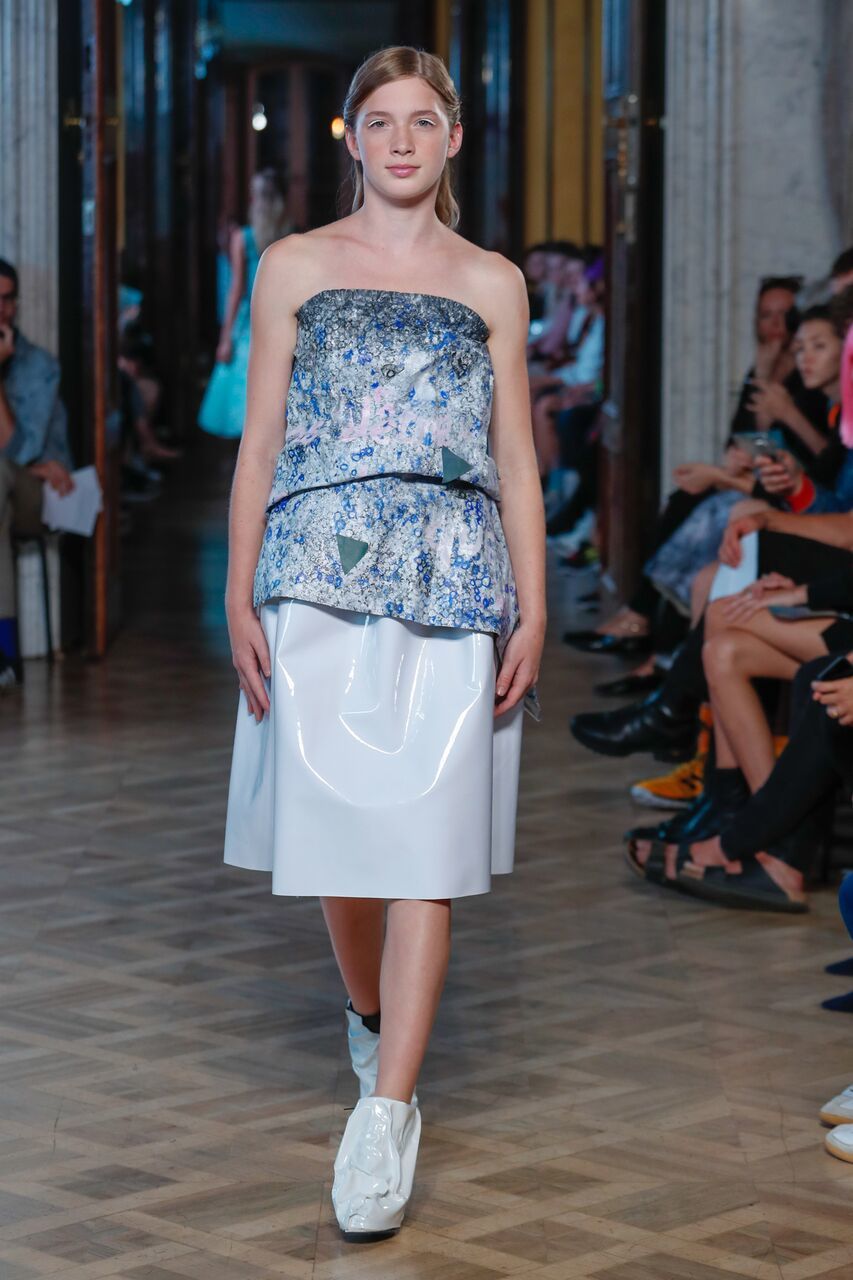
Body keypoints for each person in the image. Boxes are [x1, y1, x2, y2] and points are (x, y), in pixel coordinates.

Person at [220, 47, 545, 1242]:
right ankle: (368, 1015)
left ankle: (388, 1111)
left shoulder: (494, 281)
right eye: (379, 120)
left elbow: (517, 455)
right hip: (313, 569)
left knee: (424, 843)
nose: (401, 140)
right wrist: (236, 594)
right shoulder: (294, 265)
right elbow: (259, 441)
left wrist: (535, 602)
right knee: (337, 837)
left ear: (453, 136)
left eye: (422, 119)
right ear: (351, 138)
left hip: (456, 572)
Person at [0, 258, 74, 688]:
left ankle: (4, 650)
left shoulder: (38, 366)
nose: (1, 309)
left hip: (38, 493)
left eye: (7, 299)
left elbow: (21, 451)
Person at [198, 168, 292, 439]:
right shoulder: (290, 232)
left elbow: (236, 290)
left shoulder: (243, 237)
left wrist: (225, 338)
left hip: (250, 319)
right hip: (281, 316)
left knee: (246, 383)